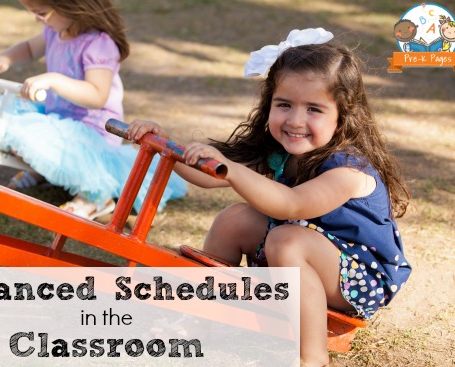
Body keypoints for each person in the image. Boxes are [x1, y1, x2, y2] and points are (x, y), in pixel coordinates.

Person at [128, 28, 412, 366]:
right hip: (300, 254)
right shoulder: (279, 152)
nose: (295, 120)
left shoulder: (348, 172)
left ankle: (311, 357)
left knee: (287, 240)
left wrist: (232, 170)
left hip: (355, 279)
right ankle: (200, 314)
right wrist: (166, 145)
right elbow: (207, 176)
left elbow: (290, 205)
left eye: (314, 109)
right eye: (285, 104)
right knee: (236, 219)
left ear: (343, 116)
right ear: (269, 103)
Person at [0, 0, 187, 219]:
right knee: (9, 117)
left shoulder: (98, 44)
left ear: (71, 6)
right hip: (57, 117)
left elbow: (97, 95)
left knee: (32, 132)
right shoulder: (55, 31)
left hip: (93, 132)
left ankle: (95, 197)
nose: (37, 19)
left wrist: (54, 80)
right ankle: (46, 171)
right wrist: (2, 59)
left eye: (42, 13)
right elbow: (29, 48)